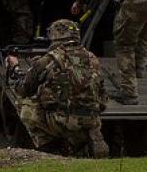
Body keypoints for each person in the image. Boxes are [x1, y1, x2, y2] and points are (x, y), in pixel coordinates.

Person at [6, 19, 109, 158]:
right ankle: (84, 139)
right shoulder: (92, 58)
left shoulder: (50, 59)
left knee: (23, 102)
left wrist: (15, 68)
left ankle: (49, 147)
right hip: (92, 120)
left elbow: (22, 89)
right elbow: (102, 95)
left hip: (63, 122)